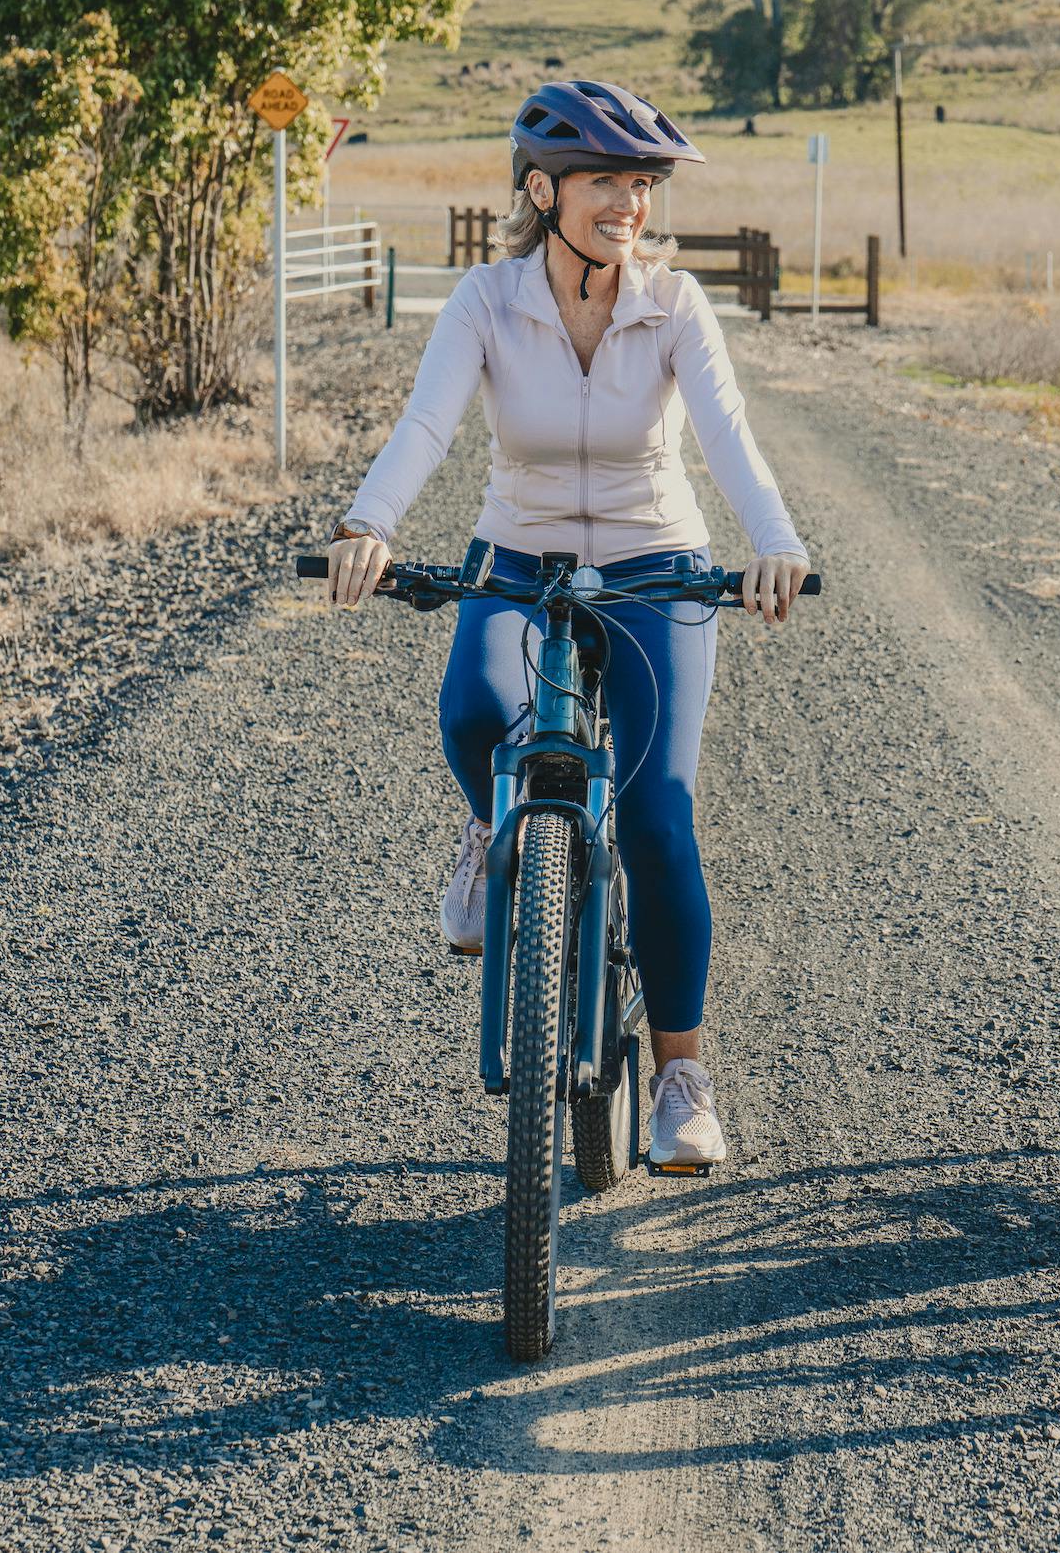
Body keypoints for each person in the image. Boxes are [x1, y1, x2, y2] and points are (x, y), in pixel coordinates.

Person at [321, 79, 812, 1170]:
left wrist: (776, 542)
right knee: (473, 715)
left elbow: (728, 435)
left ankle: (681, 1074)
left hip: (655, 561)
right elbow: (426, 423)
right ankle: (490, 828)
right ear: (542, 191)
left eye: (641, 185)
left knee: (658, 816)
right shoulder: (488, 300)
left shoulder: (674, 304)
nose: (629, 204)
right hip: (520, 551)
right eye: (605, 182)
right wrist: (368, 523)